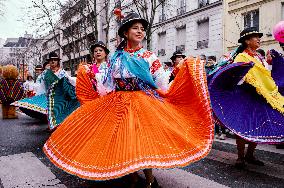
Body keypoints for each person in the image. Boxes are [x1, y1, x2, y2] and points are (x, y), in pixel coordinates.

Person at [43, 12, 214, 188]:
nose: (140, 31)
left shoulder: (149, 56)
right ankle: (133, 178)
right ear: (125, 32)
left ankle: (149, 180)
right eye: (135, 28)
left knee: (143, 142)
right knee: (127, 142)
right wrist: (88, 78)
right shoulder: (116, 58)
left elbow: (161, 82)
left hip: (143, 103)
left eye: (142, 29)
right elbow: (108, 84)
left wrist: (179, 76)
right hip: (118, 104)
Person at [208, 27, 284, 169]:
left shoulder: (259, 57)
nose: (259, 39)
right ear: (247, 41)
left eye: (258, 37)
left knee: (256, 125)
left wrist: (271, 62)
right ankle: (240, 157)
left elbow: (265, 76)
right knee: (243, 126)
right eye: (256, 37)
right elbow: (238, 76)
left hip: (259, 96)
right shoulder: (241, 57)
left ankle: (250, 155)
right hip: (245, 96)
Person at [12, 52, 79, 129]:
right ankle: (51, 126)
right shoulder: (45, 73)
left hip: (61, 97)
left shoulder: (63, 72)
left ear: (58, 61)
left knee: (60, 111)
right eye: (51, 60)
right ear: (49, 62)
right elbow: (42, 86)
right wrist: (37, 98)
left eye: (55, 60)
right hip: (49, 96)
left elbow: (70, 82)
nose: (53, 61)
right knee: (50, 111)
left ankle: (58, 127)